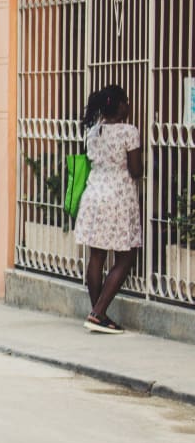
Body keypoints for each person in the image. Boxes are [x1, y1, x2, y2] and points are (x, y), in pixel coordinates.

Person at [73, 84, 142, 334]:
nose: (129, 106)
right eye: (127, 102)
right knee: (126, 255)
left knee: (97, 255)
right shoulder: (129, 132)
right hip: (118, 197)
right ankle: (99, 313)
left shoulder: (93, 132)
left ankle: (97, 313)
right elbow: (135, 170)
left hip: (93, 195)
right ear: (121, 105)